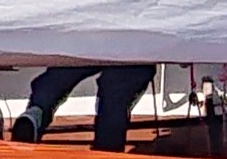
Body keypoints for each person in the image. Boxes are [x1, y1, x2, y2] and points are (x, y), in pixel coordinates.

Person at [10, 63, 159, 152]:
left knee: (64, 72)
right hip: (133, 41)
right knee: (115, 93)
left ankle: (37, 112)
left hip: (92, 37)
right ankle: (106, 158)